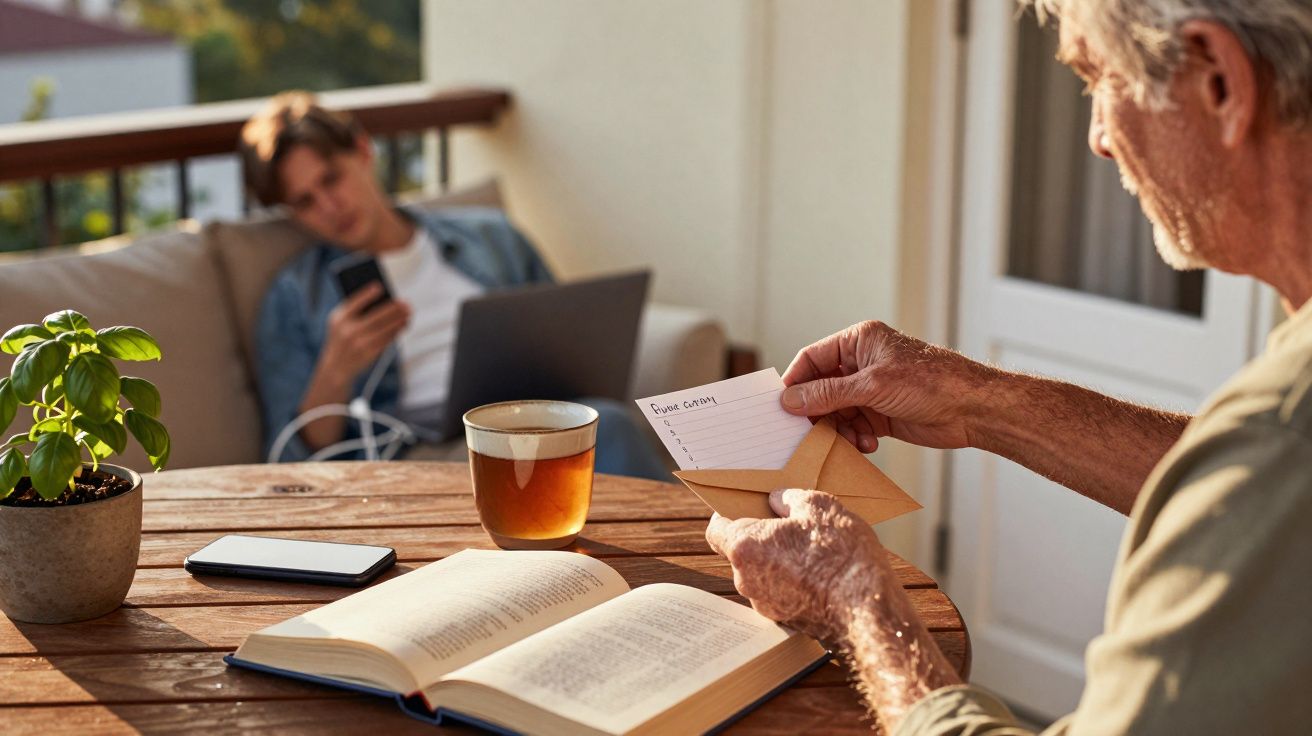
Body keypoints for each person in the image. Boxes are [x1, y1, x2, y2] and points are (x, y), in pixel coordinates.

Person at [705, 1, 1312, 733]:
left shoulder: (1284, 432)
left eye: (1097, 75)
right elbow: (1249, 489)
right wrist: (973, 399)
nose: (1096, 140)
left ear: (1219, 79)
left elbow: (1268, 470)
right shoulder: (1278, 441)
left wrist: (855, 599)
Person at [239, 92, 667, 479]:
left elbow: (571, 348)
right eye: (304, 202)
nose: (329, 208)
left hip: (524, 421)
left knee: (602, 422)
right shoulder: (295, 295)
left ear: (363, 151)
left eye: (331, 179)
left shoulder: (492, 237)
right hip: (414, 455)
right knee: (606, 428)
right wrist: (335, 371)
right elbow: (290, 459)